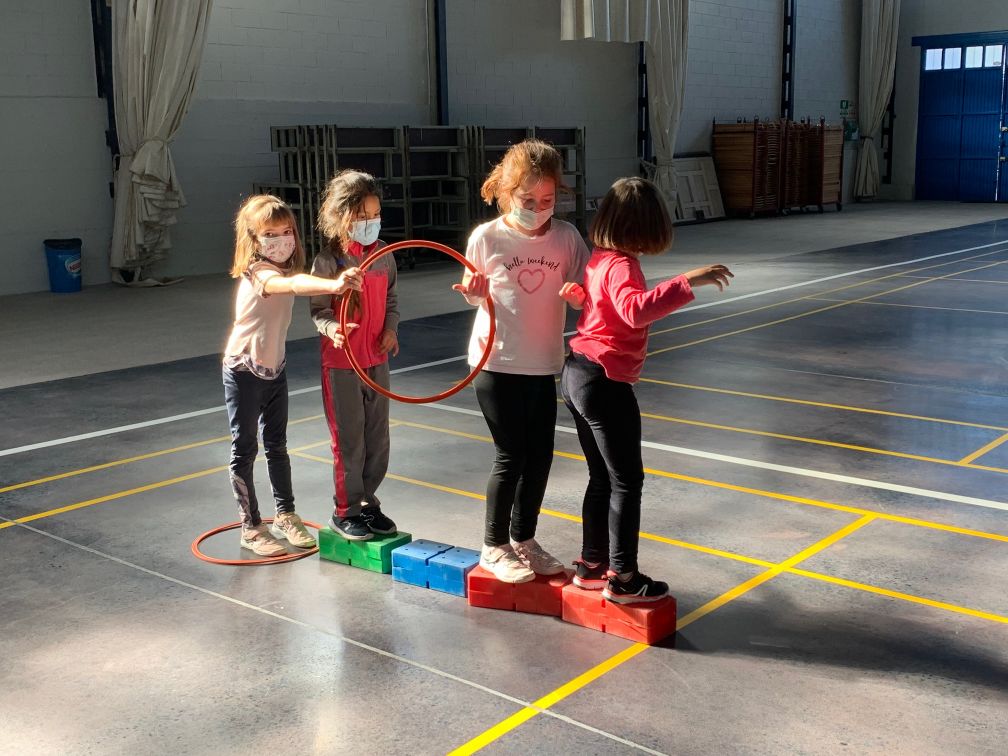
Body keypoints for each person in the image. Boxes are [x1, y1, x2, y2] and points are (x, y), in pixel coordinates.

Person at [560, 177, 733, 603]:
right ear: (644, 226)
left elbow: (603, 305)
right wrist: (688, 281)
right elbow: (635, 311)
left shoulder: (601, 258)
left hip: (577, 373)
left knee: (602, 478)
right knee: (626, 482)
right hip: (604, 381)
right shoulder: (621, 265)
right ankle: (623, 578)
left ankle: (592, 564)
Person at [454, 139, 589, 583]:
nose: (538, 209)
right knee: (511, 454)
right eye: (528, 200)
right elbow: (474, 290)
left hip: (542, 362)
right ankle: (493, 546)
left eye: (547, 200)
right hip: (495, 361)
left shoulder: (566, 238)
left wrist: (579, 297)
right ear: (507, 192)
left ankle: (523, 539)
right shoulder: (487, 237)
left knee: (541, 456)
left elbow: (585, 290)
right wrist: (474, 294)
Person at [223, 194, 362, 556]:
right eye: (270, 234)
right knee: (245, 448)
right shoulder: (259, 273)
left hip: (275, 369)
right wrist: (334, 285)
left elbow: (296, 280)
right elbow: (294, 286)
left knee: (277, 445)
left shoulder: (283, 270)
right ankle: (251, 527)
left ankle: (284, 515)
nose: (281, 240)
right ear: (253, 240)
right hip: (244, 369)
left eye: (287, 231)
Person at [311, 170, 400, 541]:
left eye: (375, 215)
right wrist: (334, 329)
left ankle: (367, 503)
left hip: (377, 362)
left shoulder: (384, 255)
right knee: (349, 441)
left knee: (377, 439)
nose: (370, 222)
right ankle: (344, 510)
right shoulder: (328, 261)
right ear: (342, 216)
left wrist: (391, 329)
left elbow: (391, 299)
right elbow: (319, 310)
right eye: (362, 216)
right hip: (342, 367)